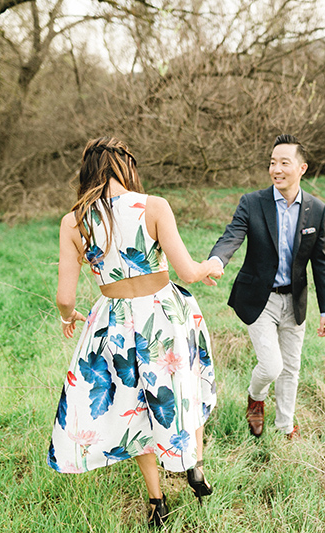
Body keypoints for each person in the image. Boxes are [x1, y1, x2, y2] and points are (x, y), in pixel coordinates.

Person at [47, 137, 224, 528]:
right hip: (163, 316)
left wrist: (66, 316)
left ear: (88, 171)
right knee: (185, 385)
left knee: (135, 404)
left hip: (113, 322)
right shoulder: (153, 206)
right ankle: (193, 467)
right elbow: (189, 272)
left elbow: (64, 296)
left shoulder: (73, 221)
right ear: (124, 166)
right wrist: (211, 264)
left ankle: (156, 500)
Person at [208, 134, 325, 439]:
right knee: (272, 366)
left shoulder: (316, 210)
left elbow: (322, 262)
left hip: (295, 301)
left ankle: (285, 427)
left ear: (301, 168)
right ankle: (255, 397)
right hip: (259, 299)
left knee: (291, 368)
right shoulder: (253, 203)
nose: (276, 169)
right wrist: (217, 260)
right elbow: (232, 235)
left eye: (283, 163)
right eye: (272, 162)